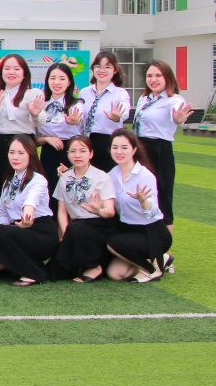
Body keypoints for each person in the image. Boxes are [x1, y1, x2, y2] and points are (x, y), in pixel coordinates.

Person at [100, 129, 172, 283]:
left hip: (152, 233)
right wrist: (69, 173)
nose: (119, 151)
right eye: (115, 147)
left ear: (134, 150)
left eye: (124, 147)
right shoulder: (112, 175)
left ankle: (153, 270)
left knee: (113, 243)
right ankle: (161, 258)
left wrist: (143, 201)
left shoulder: (145, 176)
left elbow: (153, 213)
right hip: (129, 232)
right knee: (115, 274)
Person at [0, 135, 58, 287]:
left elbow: (31, 201)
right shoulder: (8, 182)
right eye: (12, 152)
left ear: (31, 155)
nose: (15, 157)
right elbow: (2, 212)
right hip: (16, 231)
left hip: (40, 232)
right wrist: (3, 236)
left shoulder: (38, 180)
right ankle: (23, 265)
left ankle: (35, 272)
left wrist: (27, 216)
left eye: (21, 153)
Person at [48, 135, 117, 283]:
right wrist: (65, 233)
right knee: (55, 272)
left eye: (82, 151)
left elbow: (110, 211)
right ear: (67, 154)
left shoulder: (101, 177)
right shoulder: (64, 178)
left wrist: (98, 210)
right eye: (73, 151)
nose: (77, 155)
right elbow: (62, 210)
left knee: (76, 230)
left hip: (99, 225)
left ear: (91, 154)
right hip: (74, 227)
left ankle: (94, 267)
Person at [133, 60, 193, 228]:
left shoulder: (174, 100)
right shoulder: (143, 99)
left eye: (158, 75)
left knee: (162, 196)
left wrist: (178, 118)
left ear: (167, 77)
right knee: (141, 194)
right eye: (149, 76)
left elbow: (177, 115)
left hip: (160, 150)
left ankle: (165, 242)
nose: (153, 79)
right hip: (140, 149)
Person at [0, 53, 42, 215]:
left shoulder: (32, 94)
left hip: (24, 143)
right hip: (2, 144)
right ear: (1, 72)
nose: (11, 72)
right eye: (7, 68)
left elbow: (42, 121)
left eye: (16, 69)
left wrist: (36, 114)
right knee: (2, 185)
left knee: (24, 184)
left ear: (24, 73)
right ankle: (2, 222)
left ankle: (26, 218)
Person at [35, 62, 83, 200]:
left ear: (69, 82)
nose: (56, 82)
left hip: (71, 151)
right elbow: (34, 139)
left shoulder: (76, 104)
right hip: (48, 152)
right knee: (49, 191)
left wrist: (73, 121)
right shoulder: (41, 104)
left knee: (70, 192)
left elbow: (79, 121)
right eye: (53, 78)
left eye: (62, 78)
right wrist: (47, 139)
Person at [79, 51, 131, 172]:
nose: (102, 70)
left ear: (115, 70)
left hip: (108, 143)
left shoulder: (120, 93)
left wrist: (118, 116)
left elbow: (124, 111)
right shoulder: (84, 92)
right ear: (93, 68)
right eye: (98, 66)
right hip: (86, 143)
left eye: (107, 67)